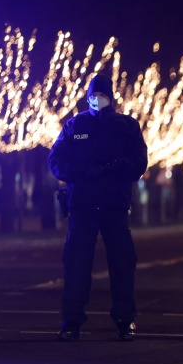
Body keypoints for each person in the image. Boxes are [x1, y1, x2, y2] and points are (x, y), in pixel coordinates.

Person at [48, 73, 148, 342]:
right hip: (82, 205)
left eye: (101, 95)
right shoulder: (74, 125)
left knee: (123, 263)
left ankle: (125, 320)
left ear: (110, 97)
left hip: (114, 205)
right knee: (76, 263)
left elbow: (139, 163)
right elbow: (56, 161)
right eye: (93, 95)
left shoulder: (127, 126)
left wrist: (111, 169)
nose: (96, 100)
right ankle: (71, 322)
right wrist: (82, 172)